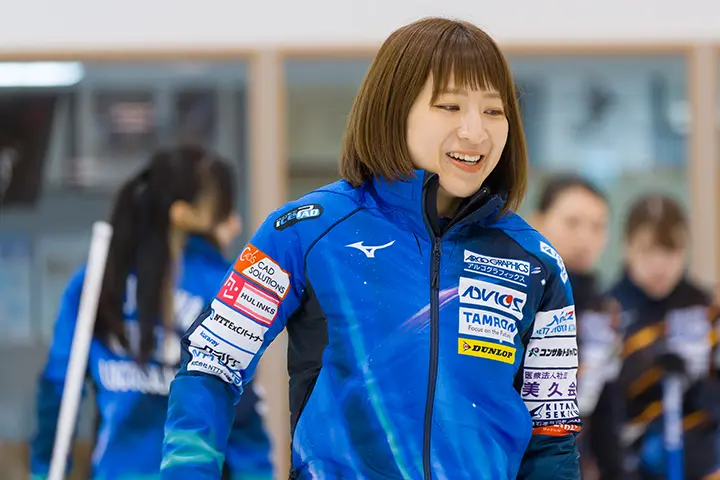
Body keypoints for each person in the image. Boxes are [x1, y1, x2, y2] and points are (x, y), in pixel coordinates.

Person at [161, 17, 582, 480]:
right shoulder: (305, 230)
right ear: (394, 108)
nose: (475, 133)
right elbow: (211, 364)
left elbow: (553, 437)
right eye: (449, 105)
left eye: (493, 110)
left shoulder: (536, 261)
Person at [29, 145, 272, 480]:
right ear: (183, 214)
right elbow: (242, 414)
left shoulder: (96, 280)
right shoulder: (225, 289)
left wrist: (43, 472)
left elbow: (56, 391)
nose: (235, 223)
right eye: (225, 211)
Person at [593, 194, 720, 480]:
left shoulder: (706, 308)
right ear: (626, 247)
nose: (660, 265)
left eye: (671, 252)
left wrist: (697, 384)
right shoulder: (606, 313)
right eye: (647, 251)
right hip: (628, 466)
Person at [532, 175, 616, 478]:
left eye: (597, 227)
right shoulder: (520, 297)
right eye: (572, 222)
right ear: (538, 221)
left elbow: (607, 409)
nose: (585, 238)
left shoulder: (604, 310)